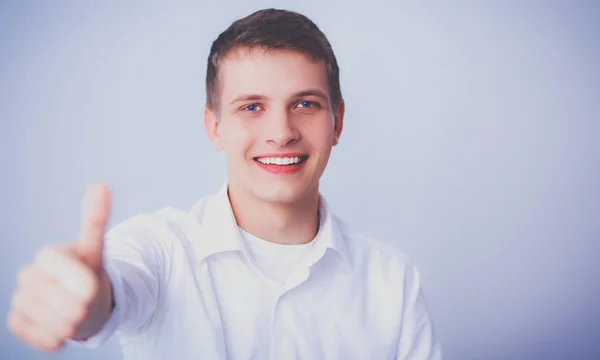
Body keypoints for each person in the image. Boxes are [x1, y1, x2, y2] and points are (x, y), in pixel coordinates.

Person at [7, 8, 442, 360]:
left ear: (338, 122)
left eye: (305, 104)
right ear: (214, 128)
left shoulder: (393, 280)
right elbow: (113, 291)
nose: (281, 132)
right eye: (252, 107)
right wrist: (83, 301)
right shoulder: (161, 250)